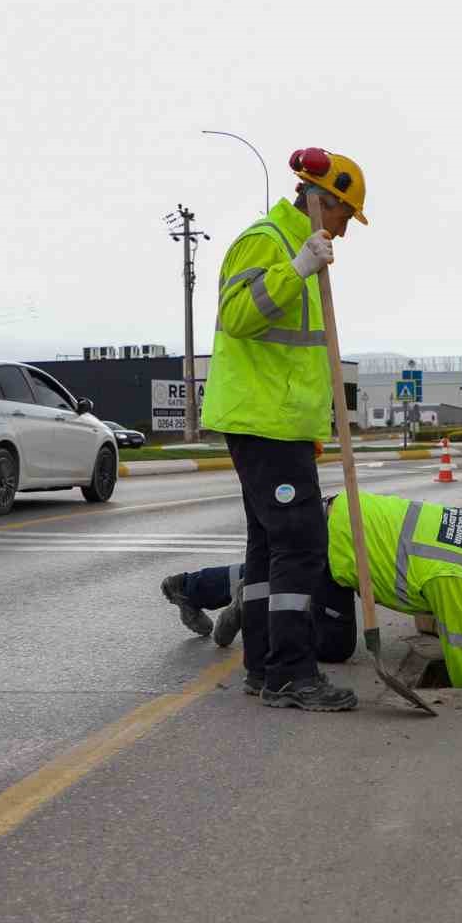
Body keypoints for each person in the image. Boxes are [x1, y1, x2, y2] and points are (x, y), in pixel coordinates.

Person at [191, 146, 366, 712]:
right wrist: (296, 271)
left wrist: (315, 425)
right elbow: (238, 316)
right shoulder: (268, 241)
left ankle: (264, 668)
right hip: (263, 422)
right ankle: (292, 673)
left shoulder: (302, 245)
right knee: (302, 545)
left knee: (268, 550)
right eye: (344, 215)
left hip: (279, 425)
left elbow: (298, 357)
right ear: (322, 200)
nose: (345, 229)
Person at [162, 491, 462, 689]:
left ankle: (190, 587)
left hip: (338, 514)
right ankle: (255, 605)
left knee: (275, 569)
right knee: (334, 646)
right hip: (338, 548)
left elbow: (429, 608)